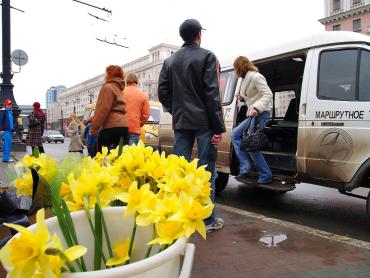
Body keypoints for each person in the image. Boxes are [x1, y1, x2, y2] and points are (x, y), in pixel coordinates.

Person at [158, 19, 225, 233]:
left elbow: (162, 92)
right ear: (199, 35)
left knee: (179, 171)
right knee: (206, 171)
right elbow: (212, 94)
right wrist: (218, 128)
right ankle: (207, 220)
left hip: (181, 122)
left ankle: (180, 216)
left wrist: (174, 109)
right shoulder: (207, 56)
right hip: (204, 122)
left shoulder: (169, 62)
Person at [231, 56, 273, 184]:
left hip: (260, 114)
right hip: (253, 114)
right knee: (235, 135)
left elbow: (268, 94)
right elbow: (253, 97)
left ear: (239, 67)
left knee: (252, 145)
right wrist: (242, 98)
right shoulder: (245, 79)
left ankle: (265, 175)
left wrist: (256, 107)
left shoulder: (255, 76)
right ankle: (246, 166)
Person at [91, 65, 129, 151]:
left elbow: (103, 110)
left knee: (101, 156)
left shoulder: (107, 87)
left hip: (110, 128)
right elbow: (114, 110)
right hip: (123, 127)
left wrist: (93, 129)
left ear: (109, 75)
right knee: (121, 158)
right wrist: (91, 119)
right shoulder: (120, 89)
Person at [123, 73, 150, 145]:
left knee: (119, 154)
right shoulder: (143, 95)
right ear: (137, 81)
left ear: (126, 81)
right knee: (132, 154)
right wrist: (138, 124)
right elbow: (145, 115)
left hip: (120, 129)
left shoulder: (120, 93)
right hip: (134, 129)